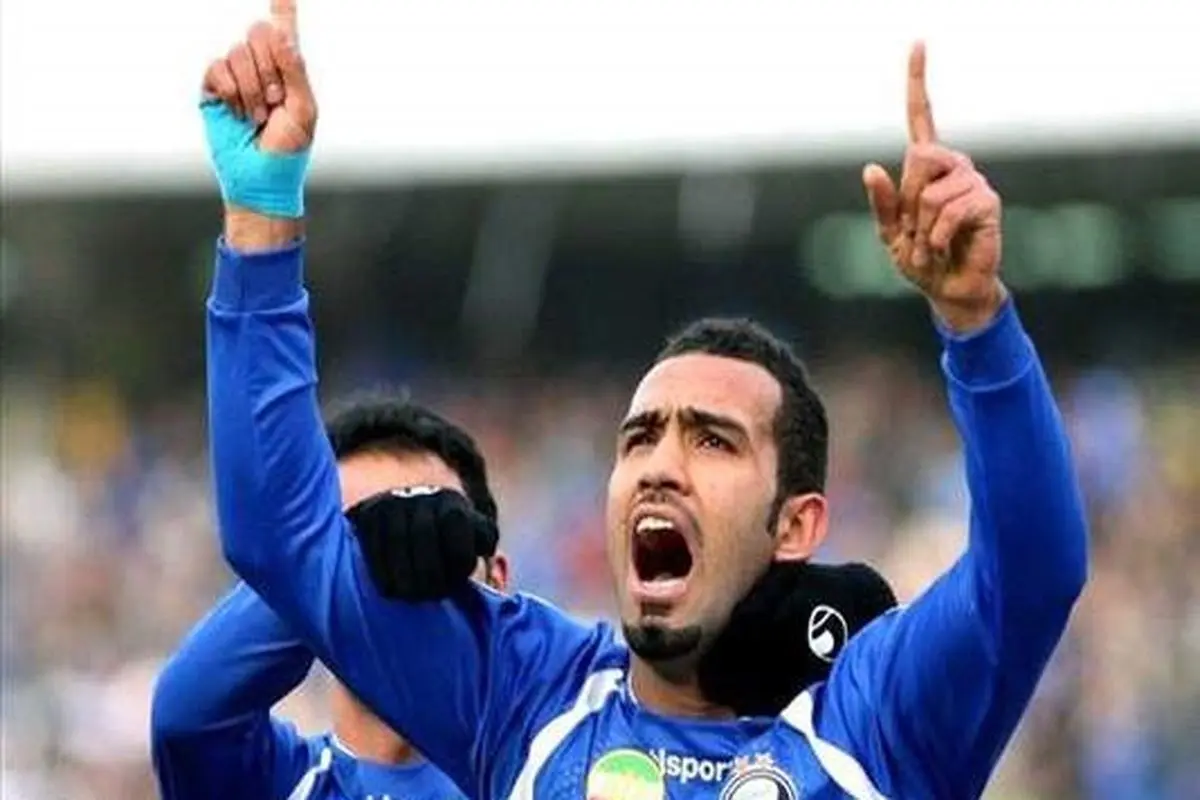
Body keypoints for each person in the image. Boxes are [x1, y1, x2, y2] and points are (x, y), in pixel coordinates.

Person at [200, 3, 1088, 796]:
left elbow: (1034, 574)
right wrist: (261, 214)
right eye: (640, 438)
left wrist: (975, 321)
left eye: (713, 440)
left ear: (796, 525)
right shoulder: (527, 692)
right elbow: (276, 536)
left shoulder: (877, 719)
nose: (660, 465)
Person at [150, 396, 509, 799]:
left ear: (495, 580)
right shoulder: (276, 785)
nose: (404, 568)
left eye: (435, 539)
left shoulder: (547, 766)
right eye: (356, 545)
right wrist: (330, 561)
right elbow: (189, 717)